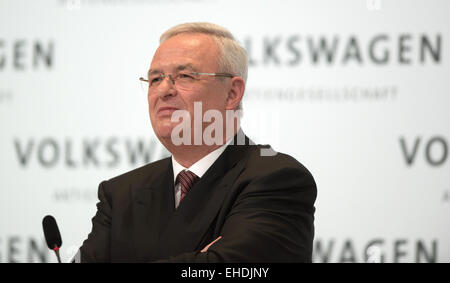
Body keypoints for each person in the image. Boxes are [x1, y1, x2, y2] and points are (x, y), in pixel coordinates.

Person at [79, 22, 317, 263]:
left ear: (232, 93)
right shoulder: (121, 193)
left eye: (184, 76)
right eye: (155, 79)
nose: (164, 90)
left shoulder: (276, 178)